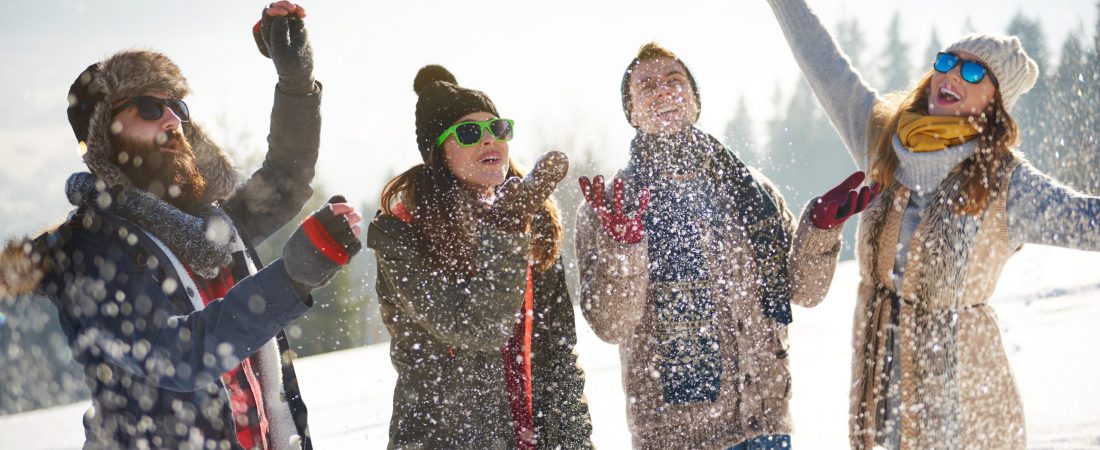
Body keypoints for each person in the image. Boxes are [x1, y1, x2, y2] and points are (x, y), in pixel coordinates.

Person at [0, 3, 362, 449]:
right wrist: (290, 279)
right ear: (102, 138)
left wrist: (296, 81)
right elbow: (175, 356)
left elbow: (286, 178)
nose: (173, 120)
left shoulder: (213, 224)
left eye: (177, 106)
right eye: (150, 108)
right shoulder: (86, 250)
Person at [766, 0, 1100, 448]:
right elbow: (823, 63)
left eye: (976, 73)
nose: (954, 74)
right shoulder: (882, 139)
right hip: (882, 396)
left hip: (968, 408)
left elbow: (1089, 220)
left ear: (996, 104)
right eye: (947, 61)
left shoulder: (1005, 182)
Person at [575, 42, 877, 450]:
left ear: (696, 101)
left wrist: (820, 229)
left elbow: (804, 292)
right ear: (631, 113)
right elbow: (611, 325)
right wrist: (625, 247)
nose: (662, 91)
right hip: (677, 438)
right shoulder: (611, 204)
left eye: (674, 80)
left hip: (766, 425)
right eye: (645, 86)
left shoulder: (751, 190)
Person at [365, 65, 593, 449]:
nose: (489, 140)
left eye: (497, 128)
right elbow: (478, 328)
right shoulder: (400, 235)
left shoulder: (530, 217)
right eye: (469, 132)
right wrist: (505, 232)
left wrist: (575, 442)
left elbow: (559, 356)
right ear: (439, 151)